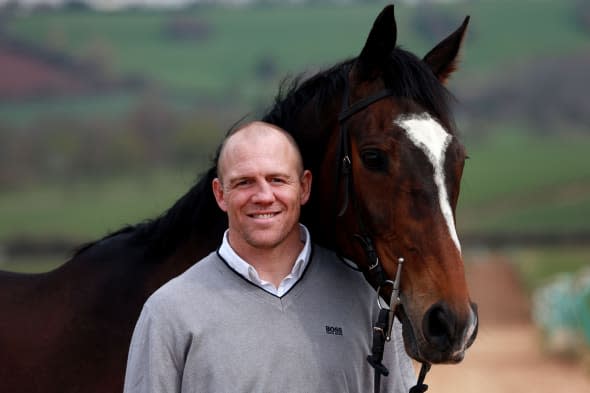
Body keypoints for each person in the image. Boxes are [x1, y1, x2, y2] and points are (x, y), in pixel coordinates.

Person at [123, 121, 416, 393]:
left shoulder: (367, 299)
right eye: (244, 182)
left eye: (277, 179)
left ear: (304, 187)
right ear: (220, 193)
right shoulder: (169, 312)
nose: (263, 196)